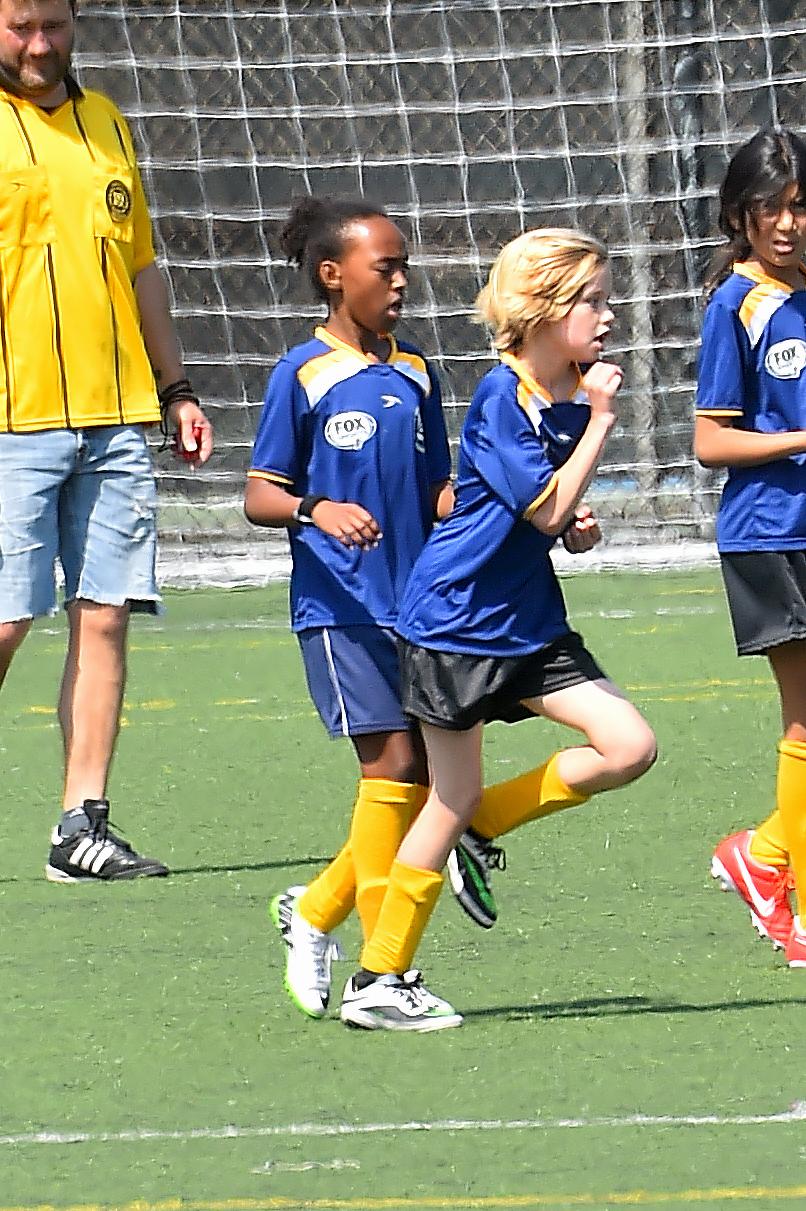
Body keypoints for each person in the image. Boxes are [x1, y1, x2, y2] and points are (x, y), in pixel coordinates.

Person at [337, 227, 657, 1031]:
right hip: (456, 623)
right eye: (590, 300)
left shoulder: (566, 389)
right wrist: (601, 425)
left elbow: (551, 514)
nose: (606, 315)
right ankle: (380, 977)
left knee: (629, 745)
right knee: (446, 795)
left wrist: (576, 525)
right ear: (545, 309)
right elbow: (541, 503)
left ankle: (484, 823)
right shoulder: (503, 394)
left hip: (527, 623)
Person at [0, 0, 212, 882]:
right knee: (7, 619)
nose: (38, 45)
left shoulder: (107, 124)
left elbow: (140, 270)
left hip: (117, 416)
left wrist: (176, 389)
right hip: (10, 423)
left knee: (106, 615)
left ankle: (80, 825)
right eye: (18, 27)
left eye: (52, 25)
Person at [244, 196, 454, 1017]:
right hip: (340, 607)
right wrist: (315, 509)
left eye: (403, 266)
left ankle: (317, 909)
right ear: (334, 275)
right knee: (393, 767)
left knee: (426, 778)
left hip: (420, 604)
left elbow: (437, 484)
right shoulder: (301, 375)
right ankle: (383, 972)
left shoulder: (415, 370)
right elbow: (261, 492)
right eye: (386, 267)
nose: (401, 281)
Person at [695, 128, 806, 967]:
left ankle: (764, 854)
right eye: (772, 207)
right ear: (742, 214)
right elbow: (710, 443)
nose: (789, 222)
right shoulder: (735, 305)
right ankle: (782, 879)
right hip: (773, 535)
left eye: (800, 205)